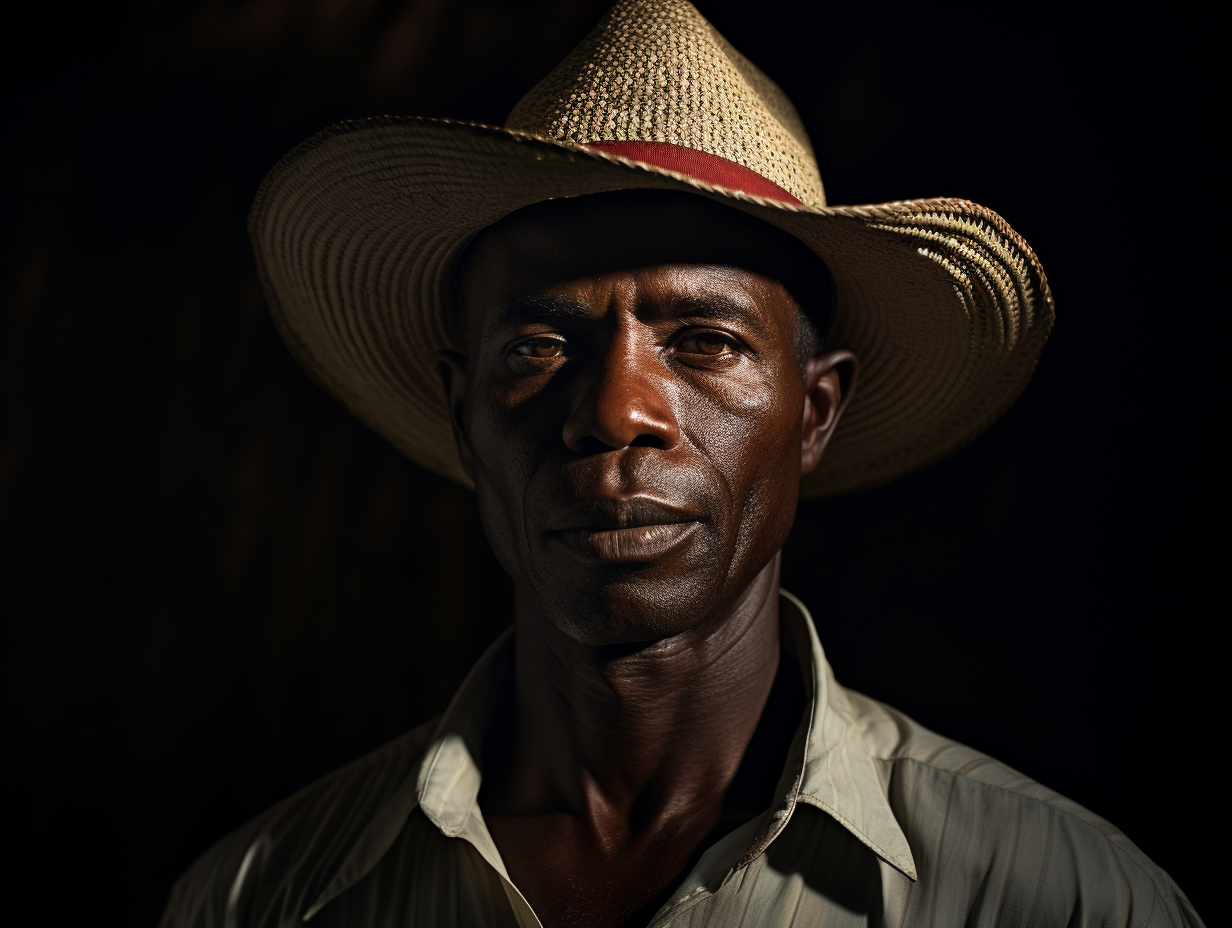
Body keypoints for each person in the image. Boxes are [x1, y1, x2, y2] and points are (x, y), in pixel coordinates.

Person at [161, 2, 1202, 926]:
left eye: (703, 340)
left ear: (814, 412)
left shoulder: (1056, 898)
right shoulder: (270, 896)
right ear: (462, 413)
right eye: (536, 347)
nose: (615, 412)